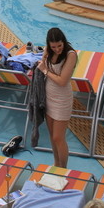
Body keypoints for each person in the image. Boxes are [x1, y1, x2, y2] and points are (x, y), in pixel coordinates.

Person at [36, 27, 77, 168]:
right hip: (48, 96)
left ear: (64, 42)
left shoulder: (70, 55)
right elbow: (43, 63)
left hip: (62, 99)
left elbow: (62, 81)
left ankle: (63, 168)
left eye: (60, 45)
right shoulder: (48, 50)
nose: (57, 49)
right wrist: (45, 56)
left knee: (58, 137)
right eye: (54, 46)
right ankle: (56, 163)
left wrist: (45, 70)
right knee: (52, 137)